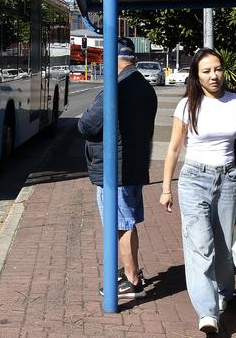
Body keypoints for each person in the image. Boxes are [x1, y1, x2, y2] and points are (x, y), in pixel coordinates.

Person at [160, 47, 236, 334]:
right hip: (193, 180)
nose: (214, 75)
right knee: (200, 246)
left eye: (217, 69)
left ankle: (224, 293)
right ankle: (207, 313)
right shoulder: (187, 105)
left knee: (224, 246)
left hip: (228, 179)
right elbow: (174, 148)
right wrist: (166, 188)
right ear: (197, 75)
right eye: (206, 71)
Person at [78, 37, 158, 299]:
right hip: (134, 165)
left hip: (116, 168)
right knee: (128, 222)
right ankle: (130, 271)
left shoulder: (117, 87)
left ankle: (132, 280)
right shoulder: (144, 86)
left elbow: (88, 125)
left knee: (120, 224)